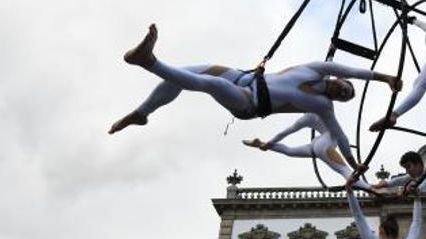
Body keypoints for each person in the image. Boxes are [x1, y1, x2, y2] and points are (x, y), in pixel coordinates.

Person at [112, 24, 402, 173]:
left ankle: (149, 61)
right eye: (345, 87)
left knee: (208, 83)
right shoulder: (317, 68)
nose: (343, 92)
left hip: (248, 103)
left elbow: (338, 135)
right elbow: (353, 69)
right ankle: (143, 112)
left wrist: (354, 163)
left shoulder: (322, 107)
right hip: (245, 77)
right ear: (338, 79)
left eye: (346, 97)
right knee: (188, 73)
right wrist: (385, 78)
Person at [242, 113, 375, 191]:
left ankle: (261, 143)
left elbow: (284, 132)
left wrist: (269, 143)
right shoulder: (324, 108)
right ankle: (372, 190)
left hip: (316, 143)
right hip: (325, 143)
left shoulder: (305, 118)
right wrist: (356, 166)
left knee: (289, 151)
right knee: (345, 171)